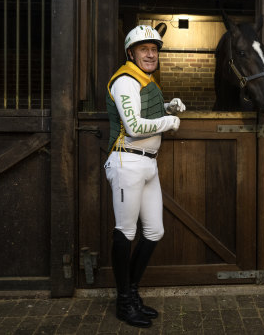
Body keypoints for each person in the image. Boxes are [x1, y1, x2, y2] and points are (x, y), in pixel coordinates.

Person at [104, 24, 185, 328]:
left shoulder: (144, 78)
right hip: (127, 161)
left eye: (154, 49)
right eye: (144, 49)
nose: (151, 54)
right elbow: (135, 127)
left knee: (154, 232)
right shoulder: (125, 80)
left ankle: (133, 293)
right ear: (131, 53)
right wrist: (169, 120)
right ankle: (124, 302)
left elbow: (144, 112)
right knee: (125, 232)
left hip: (147, 163)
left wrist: (167, 106)